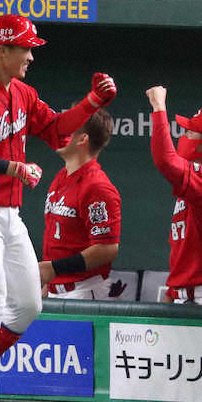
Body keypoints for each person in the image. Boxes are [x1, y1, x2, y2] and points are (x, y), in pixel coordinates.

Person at [0, 14, 117, 402]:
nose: (31, 56)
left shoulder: (21, 92)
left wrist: (90, 103)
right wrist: (13, 168)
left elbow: (56, 130)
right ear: (1, 49)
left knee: (28, 302)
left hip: (8, 211)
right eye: (25, 48)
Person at [145, 86, 202, 306]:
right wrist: (173, 291)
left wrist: (159, 108)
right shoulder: (201, 181)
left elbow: (165, 160)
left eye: (190, 132)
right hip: (187, 296)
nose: (184, 136)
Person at [39, 108, 122, 300]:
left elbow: (107, 249)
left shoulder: (97, 186)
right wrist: (48, 285)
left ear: (82, 140)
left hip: (83, 292)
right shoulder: (61, 177)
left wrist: (54, 268)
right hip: (54, 291)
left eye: (66, 129)